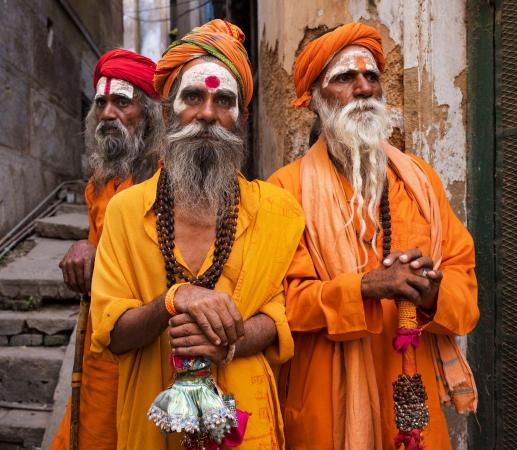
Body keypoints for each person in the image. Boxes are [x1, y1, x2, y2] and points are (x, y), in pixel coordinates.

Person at [89, 20, 304, 450]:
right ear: (168, 113)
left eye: (224, 100)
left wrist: (226, 338)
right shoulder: (126, 211)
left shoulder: (278, 211)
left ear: (240, 118)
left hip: (246, 426)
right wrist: (174, 301)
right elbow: (111, 334)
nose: (208, 113)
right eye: (193, 97)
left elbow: (282, 319)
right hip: (152, 430)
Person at [269, 22, 479, 450]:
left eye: (371, 77)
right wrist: (365, 287)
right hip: (327, 405)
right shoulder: (283, 192)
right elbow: (282, 305)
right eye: (345, 78)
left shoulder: (421, 181)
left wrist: (433, 293)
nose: (363, 88)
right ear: (314, 100)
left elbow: (465, 283)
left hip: (411, 395)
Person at [52, 48, 164, 450]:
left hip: (151, 344)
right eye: (101, 103)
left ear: (148, 114)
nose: (107, 113)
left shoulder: (168, 178)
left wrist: (101, 257)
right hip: (102, 347)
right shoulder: (99, 183)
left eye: (122, 102)